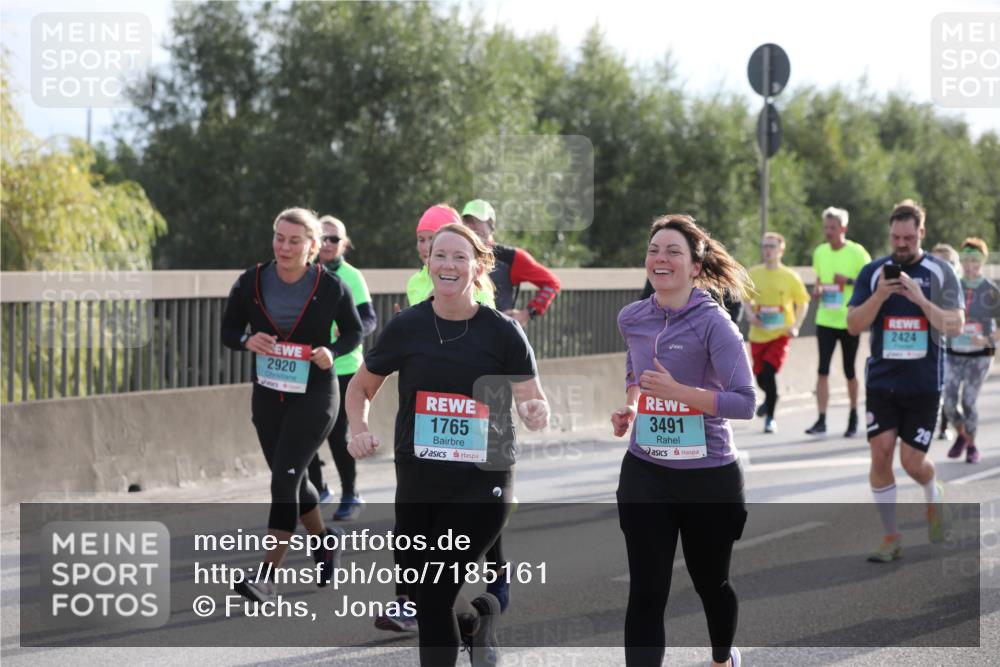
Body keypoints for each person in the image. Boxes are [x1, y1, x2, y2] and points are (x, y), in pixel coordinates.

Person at [347, 223, 549, 666]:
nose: (448, 265)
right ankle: (476, 622)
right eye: (440, 255)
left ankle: (472, 624)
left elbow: (532, 398)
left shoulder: (502, 332)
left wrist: (535, 411)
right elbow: (360, 387)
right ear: (428, 262)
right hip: (420, 480)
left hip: (483, 482)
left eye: (460, 257)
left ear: (479, 267)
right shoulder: (408, 327)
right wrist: (357, 427)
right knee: (426, 592)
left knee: (434, 592)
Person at [611, 214, 753, 667]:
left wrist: (681, 394)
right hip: (646, 471)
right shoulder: (633, 317)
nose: (661, 258)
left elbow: (746, 402)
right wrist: (632, 406)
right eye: (654, 250)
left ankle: (722, 658)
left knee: (711, 583)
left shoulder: (715, 325)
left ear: (695, 266)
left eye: (673, 251)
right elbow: (636, 370)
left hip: (708, 476)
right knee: (646, 592)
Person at [221, 207, 363, 602]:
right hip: (269, 394)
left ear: (312, 247)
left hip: (316, 394)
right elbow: (229, 330)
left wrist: (331, 351)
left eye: (294, 241)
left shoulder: (331, 286)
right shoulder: (251, 281)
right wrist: (247, 340)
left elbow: (353, 331)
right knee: (294, 480)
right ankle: (324, 541)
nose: (284, 247)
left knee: (283, 479)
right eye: (279, 238)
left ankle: (267, 577)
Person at [846, 199, 963, 563]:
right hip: (882, 384)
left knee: (912, 462)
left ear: (921, 233)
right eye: (895, 237)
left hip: (924, 384)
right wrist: (881, 294)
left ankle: (933, 492)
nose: (901, 244)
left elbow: (955, 326)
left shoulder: (941, 272)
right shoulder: (873, 272)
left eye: (908, 238)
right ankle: (890, 536)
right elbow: (853, 325)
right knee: (880, 454)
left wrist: (921, 300)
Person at [306, 215, 378, 519]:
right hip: (309, 365)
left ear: (344, 244)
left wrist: (346, 331)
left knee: (337, 435)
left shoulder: (351, 276)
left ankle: (351, 494)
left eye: (333, 239)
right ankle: (319, 488)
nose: (327, 243)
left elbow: (369, 320)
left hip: (346, 366)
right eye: (322, 237)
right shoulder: (305, 272)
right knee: (304, 431)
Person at [805, 207, 871, 437]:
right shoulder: (820, 252)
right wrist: (817, 291)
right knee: (822, 370)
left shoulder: (857, 253)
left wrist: (849, 281)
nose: (828, 232)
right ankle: (821, 420)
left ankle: (853, 416)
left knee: (849, 371)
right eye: (826, 228)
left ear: (844, 228)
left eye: (833, 227)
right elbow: (820, 280)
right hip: (825, 318)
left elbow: (869, 282)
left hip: (849, 320)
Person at [744, 232, 810, 433]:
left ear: (781, 250)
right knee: (760, 377)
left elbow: (803, 303)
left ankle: (770, 419)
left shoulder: (790, 276)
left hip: (780, 335)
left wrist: (795, 325)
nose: (767, 250)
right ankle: (772, 397)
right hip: (758, 334)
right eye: (765, 246)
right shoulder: (754, 273)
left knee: (769, 372)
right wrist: (750, 315)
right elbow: (745, 298)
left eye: (772, 246)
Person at [943, 238, 1000, 463]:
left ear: (982, 262)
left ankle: (972, 446)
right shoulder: (953, 287)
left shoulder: (991, 291)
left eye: (974, 261)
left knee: (968, 400)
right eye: (965, 260)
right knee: (948, 401)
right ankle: (962, 434)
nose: (969, 265)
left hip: (981, 354)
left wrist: (987, 339)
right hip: (954, 351)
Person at [461, 199, 561, 325]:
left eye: (477, 221)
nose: (471, 226)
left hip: (501, 333)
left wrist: (527, 313)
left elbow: (552, 283)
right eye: (467, 221)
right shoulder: (456, 255)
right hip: (464, 331)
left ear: (491, 225)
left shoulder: (511, 257)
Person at [408, 203, 495, 308]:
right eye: (421, 240)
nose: (426, 247)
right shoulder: (414, 282)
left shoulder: (476, 285)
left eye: (432, 238)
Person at [931, 243, 961, 440]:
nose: (943, 267)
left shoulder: (959, 288)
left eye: (948, 263)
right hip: (932, 347)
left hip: (955, 348)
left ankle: (945, 424)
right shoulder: (923, 286)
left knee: (949, 389)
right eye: (937, 262)